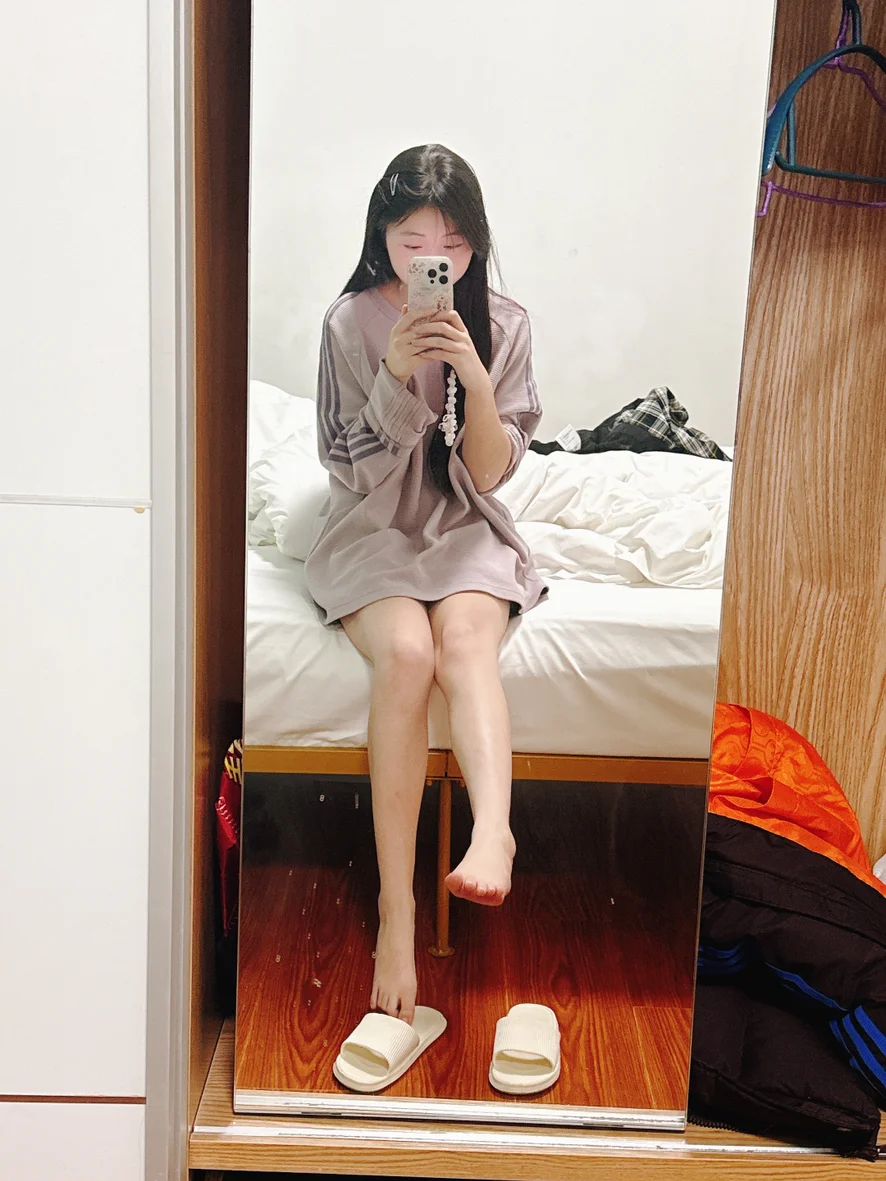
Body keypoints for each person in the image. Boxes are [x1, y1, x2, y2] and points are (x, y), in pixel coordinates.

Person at [305, 143, 546, 1024]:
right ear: (383, 237)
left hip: (462, 521)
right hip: (373, 526)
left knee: (466, 640)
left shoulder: (506, 323)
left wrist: (473, 377)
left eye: (453, 244)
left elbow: (487, 472)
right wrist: (397, 372)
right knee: (406, 653)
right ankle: (396, 910)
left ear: (476, 245)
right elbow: (354, 471)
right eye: (413, 242)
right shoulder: (348, 323)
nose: (432, 259)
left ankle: (494, 831)